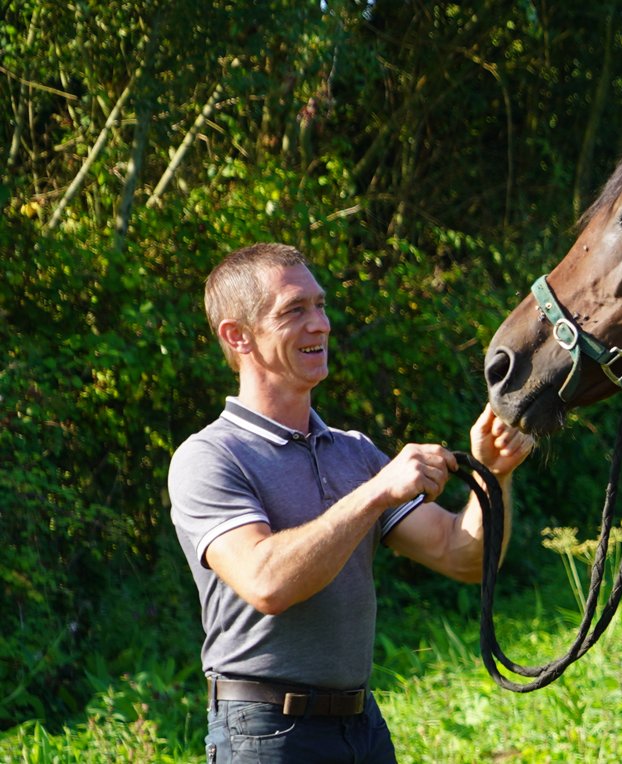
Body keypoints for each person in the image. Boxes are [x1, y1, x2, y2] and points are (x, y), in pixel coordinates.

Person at [169, 242, 534, 763]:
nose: (320, 324)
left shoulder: (354, 452)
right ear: (237, 336)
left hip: (362, 727)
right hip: (265, 734)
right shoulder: (208, 456)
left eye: (320, 305)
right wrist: (378, 491)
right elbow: (266, 583)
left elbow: (462, 556)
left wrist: (494, 474)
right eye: (294, 310)